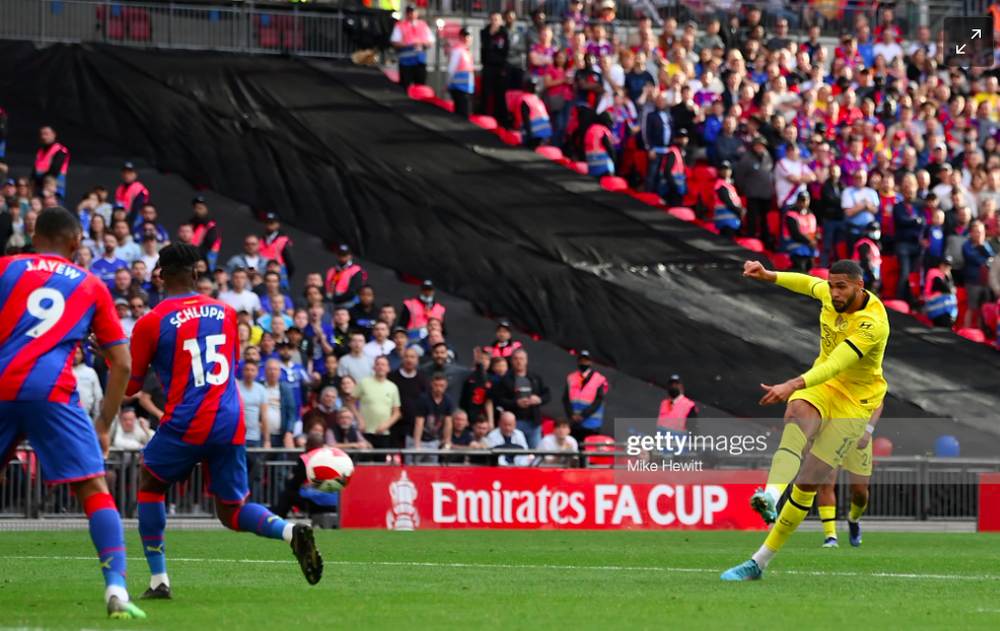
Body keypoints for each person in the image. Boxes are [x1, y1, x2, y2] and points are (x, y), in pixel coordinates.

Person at [126, 243, 323, 597]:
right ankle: (289, 531)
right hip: (229, 419)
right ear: (197, 275)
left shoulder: (150, 322)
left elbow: (130, 387)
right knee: (231, 512)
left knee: (150, 485)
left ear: (159, 277)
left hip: (187, 419)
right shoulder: (226, 312)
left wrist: (111, 357)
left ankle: (159, 581)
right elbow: (229, 364)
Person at [0, 208, 143, 618]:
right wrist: (103, 425)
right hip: (53, 391)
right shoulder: (91, 284)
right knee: (94, 490)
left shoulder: (5, 269)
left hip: (2, 383)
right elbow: (123, 363)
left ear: (34, 235)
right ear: (77, 242)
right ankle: (116, 588)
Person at [722, 259, 889, 581]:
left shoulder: (874, 323)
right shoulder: (829, 293)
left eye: (842, 286)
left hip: (855, 402)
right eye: (832, 285)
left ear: (860, 287)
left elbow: (836, 364)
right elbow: (804, 283)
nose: (834, 292)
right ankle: (770, 495)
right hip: (823, 387)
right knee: (797, 414)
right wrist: (768, 274)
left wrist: (791, 384)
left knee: (811, 481)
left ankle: (761, 560)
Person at [817, 401, 883, 548]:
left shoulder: (869, 378)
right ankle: (830, 536)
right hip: (831, 433)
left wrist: (868, 431)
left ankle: (853, 519)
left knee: (860, 491)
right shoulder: (829, 378)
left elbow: (878, 402)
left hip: (859, 434)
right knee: (826, 483)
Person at [491, 348, 550, 448]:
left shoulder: (535, 378)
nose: (519, 361)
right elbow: (498, 399)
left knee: (535, 453)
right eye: (516, 359)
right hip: (515, 422)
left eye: (521, 359)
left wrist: (538, 400)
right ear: (512, 361)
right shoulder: (505, 380)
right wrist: (515, 403)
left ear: (526, 361)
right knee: (516, 451)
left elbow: (547, 394)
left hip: (533, 422)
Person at [734, 136, 774, 247]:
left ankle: (766, 242)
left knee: (766, 221)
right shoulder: (747, 159)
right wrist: (743, 190)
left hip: (766, 194)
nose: (759, 147)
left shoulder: (768, 157)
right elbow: (739, 176)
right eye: (757, 145)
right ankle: (749, 241)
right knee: (752, 220)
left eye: (761, 145)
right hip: (753, 194)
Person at [562, 350, 608, 442]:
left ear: (590, 362)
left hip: (591, 424)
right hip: (575, 424)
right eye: (581, 361)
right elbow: (565, 399)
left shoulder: (599, 379)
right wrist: (571, 415)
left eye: (586, 361)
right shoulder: (571, 377)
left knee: (588, 451)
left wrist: (583, 415)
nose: (583, 363)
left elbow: (598, 400)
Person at [388, 347, 430, 448]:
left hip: (415, 425)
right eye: (406, 357)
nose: (409, 360)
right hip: (394, 424)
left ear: (417, 360)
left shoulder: (423, 378)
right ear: (402, 359)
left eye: (412, 357)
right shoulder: (391, 377)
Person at [411, 372, 455, 462]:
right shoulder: (424, 398)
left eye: (441, 385)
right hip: (417, 437)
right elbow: (419, 423)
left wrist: (447, 443)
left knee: (431, 469)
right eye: (436, 385)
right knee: (413, 467)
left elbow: (448, 424)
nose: (439, 388)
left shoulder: (447, 400)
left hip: (433, 439)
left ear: (446, 385)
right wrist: (417, 444)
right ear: (431, 384)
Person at [355, 356, 402, 436]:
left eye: (383, 365)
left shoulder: (393, 387)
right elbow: (350, 403)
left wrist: (387, 425)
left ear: (388, 368)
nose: (380, 367)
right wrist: (360, 420)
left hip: (384, 433)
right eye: (378, 364)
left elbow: (397, 413)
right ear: (374, 367)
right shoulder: (364, 383)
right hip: (365, 431)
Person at [961, 220, 996, 329]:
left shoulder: (985, 244)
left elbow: (992, 256)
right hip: (972, 282)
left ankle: (980, 330)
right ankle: (966, 330)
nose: (978, 234)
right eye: (976, 232)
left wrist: (983, 245)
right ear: (971, 232)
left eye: (980, 232)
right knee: (972, 308)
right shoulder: (966, 245)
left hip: (984, 282)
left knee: (982, 309)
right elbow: (975, 259)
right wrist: (986, 260)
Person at [392, 4, 434, 89]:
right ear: (407, 14)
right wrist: (410, 44)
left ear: (417, 12)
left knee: (420, 88)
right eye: (409, 12)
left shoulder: (423, 25)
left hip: (420, 62)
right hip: (406, 63)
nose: (411, 14)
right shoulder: (400, 26)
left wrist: (422, 43)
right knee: (405, 87)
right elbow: (395, 42)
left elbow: (430, 41)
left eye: (413, 12)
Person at [842, 169, 880, 254]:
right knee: (853, 258)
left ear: (866, 178)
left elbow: (875, 210)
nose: (859, 179)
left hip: (869, 231)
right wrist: (865, 206)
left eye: (862, 177)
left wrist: (857, 206)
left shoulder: (871, 192)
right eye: (857, 177)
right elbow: (848, 212)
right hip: (853, 231)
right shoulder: (847, 192)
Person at [262, 357, 297, 448]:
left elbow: (291, 412)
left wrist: (289, 432)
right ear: (265, 372)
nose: (272, 372)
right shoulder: (259, 388)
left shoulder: (286, 390)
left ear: (280, 372)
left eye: (275, 369)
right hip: (262, 435)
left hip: (281, 435)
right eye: (269, 369)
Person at [781, 192, 819, 273]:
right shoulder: (790, 215)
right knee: (800, 272)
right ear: (797, 201)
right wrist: (810, 242)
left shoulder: (811, 215)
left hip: (810, 250)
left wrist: (816, 239)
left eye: (806, 201)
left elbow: (815, 230)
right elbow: (795, 233)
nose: (803, 203)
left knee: (810, 272)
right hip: (797, 250)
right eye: (801, 201)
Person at [642, 91, 672, 192]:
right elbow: (646, 133)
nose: (661, 101)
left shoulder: (668, 115)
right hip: (655, 149)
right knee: (652, 175)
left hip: (667, 150)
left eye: (663, 99)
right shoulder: (650, 115)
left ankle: (659, 197)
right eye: (659, 99)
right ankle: (648, 197)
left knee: (662, 176)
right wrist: (650, 148)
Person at [325, 244, 366, 309]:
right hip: (330, 305)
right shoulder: (331, 270)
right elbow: (327, 287)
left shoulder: (356, 270)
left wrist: (335, 300)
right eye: (340, 255)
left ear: (350, 256)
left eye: (344, 255)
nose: (342, 257)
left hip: (348, 306)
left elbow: (353, 291)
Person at [711, 161, 745, 238]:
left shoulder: (729, 185)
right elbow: (727, 201)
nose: (726, 172)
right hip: (725, 220)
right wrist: (739, 210)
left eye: (728, 170)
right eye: (723, 170)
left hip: (731, 219)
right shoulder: (720, 185)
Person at [33, 125, 69, 198]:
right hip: (40, 190)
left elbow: (54, 170)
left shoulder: (60, 150)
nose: (43, 137)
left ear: (53, 135)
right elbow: (35, 170)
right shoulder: (41, 151)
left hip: (55, 191)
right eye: (42, 134)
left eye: (46, 134)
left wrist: (38, 181)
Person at [259, 213, 295, 286]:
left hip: (278, 280)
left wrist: (283, 278)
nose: (269, 225)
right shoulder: (260, 241)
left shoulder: (283, 241)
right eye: (267, 222)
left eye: (272, 223)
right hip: (262, 278)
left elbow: (290, 265)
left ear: (278, 224)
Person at [447, 28, 475, 118]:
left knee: (464, 113)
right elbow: (451, 70)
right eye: (465, 36)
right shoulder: (457, 50)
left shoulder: (466, 51)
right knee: (461, 114)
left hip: (466, 88)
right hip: (458, 88)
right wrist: (448, 83)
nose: (467, 38)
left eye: (469, 36)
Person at [923, 256, 959, 328]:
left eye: (948, 266)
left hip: (946, 312)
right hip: (937, 311)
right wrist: (948, 276)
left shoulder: (945, 276)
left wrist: (949, 276)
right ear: (940, 265)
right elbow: (948, 289)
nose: (946, 268)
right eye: (944, 265)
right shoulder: (935, 274)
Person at [189, 197, 221, 272]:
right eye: (196, 208)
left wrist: (195, 255)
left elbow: (208, 245)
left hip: (206, 258)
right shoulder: (192, 223)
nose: (197, 210)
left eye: (200, 208)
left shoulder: (210, 226)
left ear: (206, 209)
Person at [73, 346, 103, 423]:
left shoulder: (90, 372)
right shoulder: (63, 371)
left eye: (78, 353)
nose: (75, 356)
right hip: (68, 415)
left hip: (86, 416)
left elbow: (98, 397)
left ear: (83, 355)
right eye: (73, 353)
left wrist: (96, 417)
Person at [852, 222, 883, 295]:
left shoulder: (873, 244)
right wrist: (873, 279)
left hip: (870, 278)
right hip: (863, 278)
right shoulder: (864, 244)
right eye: (872, 230)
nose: (875, 232)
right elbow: (865, 262)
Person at [585, 113, 616, 178]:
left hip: (591, 168)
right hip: (605, 168)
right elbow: (609, 148)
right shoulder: (603, 131)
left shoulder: (590, 129)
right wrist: (614, 160)